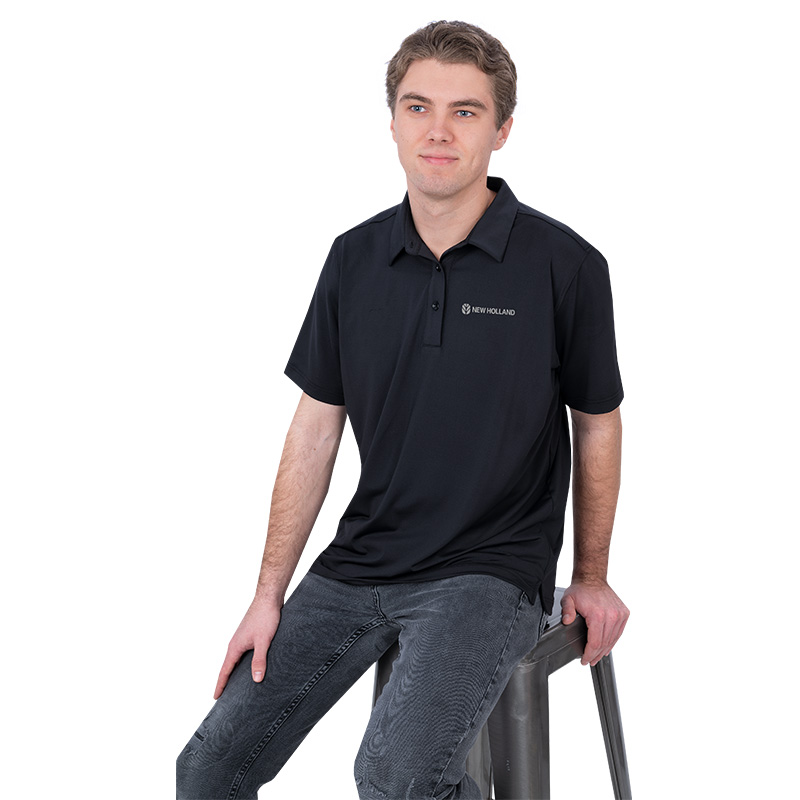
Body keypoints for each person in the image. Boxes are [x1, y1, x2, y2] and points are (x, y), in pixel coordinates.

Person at [177, 19, 629, 800]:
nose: (438, 131)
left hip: (488, 572)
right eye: (418, 107)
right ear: (392, 122)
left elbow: (597, 423)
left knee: (393, 776)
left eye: (465, 111)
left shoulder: (565, 265)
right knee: (208, 768)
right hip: (360, 563)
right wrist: (267, 595)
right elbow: (315, 430)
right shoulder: (354, 259)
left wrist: (591, 575)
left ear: (502, 130)